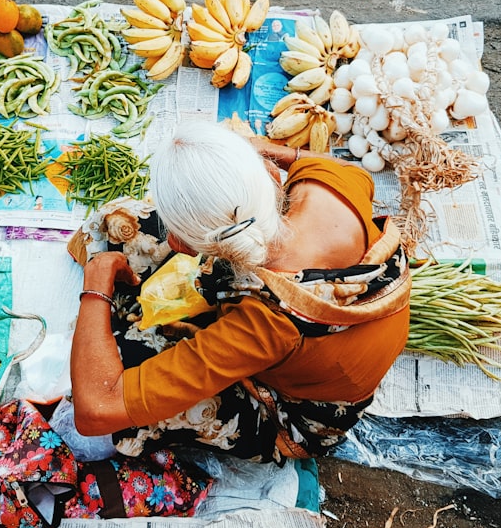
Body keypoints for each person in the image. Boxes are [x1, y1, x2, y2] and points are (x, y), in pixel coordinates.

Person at [69, 120, 411, 463]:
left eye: (178, 235)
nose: (172, 241)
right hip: (334, 328)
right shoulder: (322, 188)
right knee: (122, 220)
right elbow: (349, 169)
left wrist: (95, 289)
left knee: (126, 365)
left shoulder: (265, 320)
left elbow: (96, 409)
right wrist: (257, 149)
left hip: (298, 414)